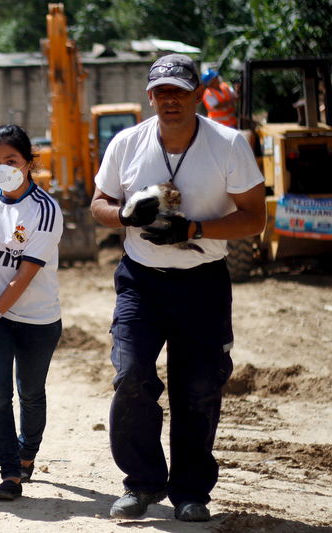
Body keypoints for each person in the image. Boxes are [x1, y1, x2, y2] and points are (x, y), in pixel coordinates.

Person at [90, 54, 265, 521]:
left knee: (200, 386)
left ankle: (190, 492)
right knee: (130, 377)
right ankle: (141, 483)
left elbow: (254, 215)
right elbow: (99, 203)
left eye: (180, 91)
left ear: (196, 95)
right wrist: (126, 215)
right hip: (140, 280)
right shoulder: (127, 144)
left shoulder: (228, 144)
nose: (171, 100)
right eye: (161, 92)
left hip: (203, 282)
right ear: (150, 96)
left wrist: (194, 231)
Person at [0, 124, 64, 501]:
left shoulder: (46, 209)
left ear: (28, 162)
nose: (2, 168)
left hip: (37, 318)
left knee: (31, 393)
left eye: (11, 161)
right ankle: (9, 472)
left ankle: (27, 453)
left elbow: (24, 275)